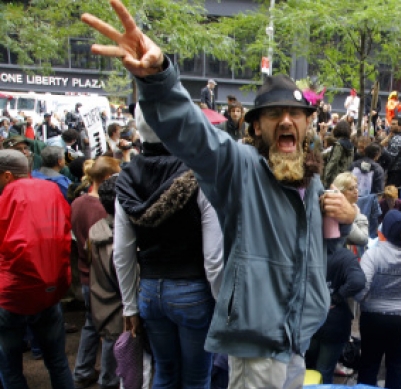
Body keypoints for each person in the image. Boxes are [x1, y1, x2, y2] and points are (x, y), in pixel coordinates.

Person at [82, 5, 357, 386]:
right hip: (257, 343)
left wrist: (341, 223)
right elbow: (194, 135)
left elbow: (315, 255)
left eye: (296, 113)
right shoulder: (241, 167)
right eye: (274, 113)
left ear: (309, 123)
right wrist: (159, 75)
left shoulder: (310, 183)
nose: (287, 120)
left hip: (296, 337)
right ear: (257, 127)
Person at [114, 105, 224, 388]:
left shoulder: (125, 179)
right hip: (194, 291)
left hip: (149, 292)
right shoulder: (200, 174)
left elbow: (122, 252)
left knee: (164, 373)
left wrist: (130, 306)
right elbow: (213, 258)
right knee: (196, 378)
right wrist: (225, 306)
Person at [0, 149, 73, 389]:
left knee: (10, 367)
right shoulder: (51, 190)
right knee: (58, 362)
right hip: (50, 287)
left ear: (8, 176)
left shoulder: (5, 197)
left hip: (12, 294)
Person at [71, 157, 122, 389]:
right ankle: (108, 380)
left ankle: (82, 369)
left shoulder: (77, 203)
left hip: (85, 275)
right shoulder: (102, 208)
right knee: (111, 327)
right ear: (106, 179)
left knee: (92, 324)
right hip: (103, 277)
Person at [355, 210, 401, 389]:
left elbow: (360, 288)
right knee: (397, 367)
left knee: (368, 365)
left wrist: (365, 301)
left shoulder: (373, 255)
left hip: (373, 318)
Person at [305, 243, 364, 384]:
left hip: (309, 319)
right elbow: (358, 281)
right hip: (334, 323)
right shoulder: (344, 256)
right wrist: (337, 296)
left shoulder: (306, 250)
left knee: (306, 368)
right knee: (324, 370)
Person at [322, 121, 354, 189]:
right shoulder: (351, 145)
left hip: (335, 179)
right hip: (345, 177)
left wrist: (325, 179)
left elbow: (333, 162)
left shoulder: (338, 144)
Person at [381, 117, 401, 188]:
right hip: (394, 171)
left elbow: (391, 156)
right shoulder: (394, 137)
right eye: (391, 124)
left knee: (392, 194)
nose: (391, 125)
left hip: (395, 171)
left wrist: (382, 150)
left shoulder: (398, 139)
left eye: (394, 124)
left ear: (400, 126)